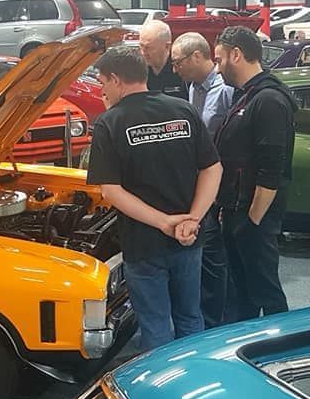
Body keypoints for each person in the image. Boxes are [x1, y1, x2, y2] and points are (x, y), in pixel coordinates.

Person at [86, 45, 222, 351]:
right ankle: (193, 380)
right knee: (190, 317)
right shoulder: (183, 109)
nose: (102, 89)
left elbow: (110, 190)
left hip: (143, 244)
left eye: (102, 82)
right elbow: (213, 168)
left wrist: (164, 223)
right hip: (190, 238)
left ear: (116, 80)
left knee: (156, 325)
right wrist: (193, 219)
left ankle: (161, 391)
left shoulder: (110, 123)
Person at [213, 26, 297, 322]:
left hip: (254, 219)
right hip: (238, 212)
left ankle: (286, 351)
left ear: (236, 54)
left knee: (266, 291)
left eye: (219, 59)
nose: (218, 67)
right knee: (243, 293)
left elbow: (271, 171)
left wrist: (252, 221)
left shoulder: (268, 100)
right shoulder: (246, 96)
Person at [170, 31, 235, 329]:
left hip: (218, 181)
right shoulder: (191, 86)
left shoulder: (225, 90)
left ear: (197, 56)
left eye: (178, 62)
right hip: (193, 181)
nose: (174, 69)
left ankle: (215, 320)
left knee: (214, 257)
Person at [139, 20, 187, 100]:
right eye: (141, 46)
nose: (143, 53)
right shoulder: (139, 72)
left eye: (148, 48)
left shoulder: (181, 70)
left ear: (167, 47)